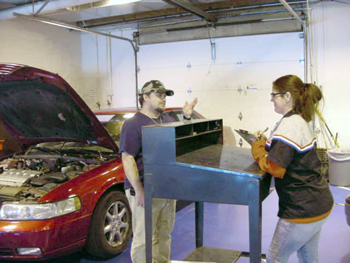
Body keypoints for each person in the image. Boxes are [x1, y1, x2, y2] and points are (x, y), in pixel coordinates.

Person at [251, 75, 334, 263]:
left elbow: (275, 168)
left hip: (302, 209)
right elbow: (287, 151)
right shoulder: (298, 120)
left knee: (274, 256)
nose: (271, 99)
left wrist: (257, 148)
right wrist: (266, 143)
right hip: (319, 203)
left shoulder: (290, 125)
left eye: (274, 95)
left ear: (287, 96)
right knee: (307, 255)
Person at [119, 80, 198, 263]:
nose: (163, 99)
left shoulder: (167, 120)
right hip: (145, 189)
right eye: (159, 95)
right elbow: (128, 158)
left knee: (164, 233)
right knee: (144, 238)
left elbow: (177, 149)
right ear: (145, 97)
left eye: (165, 96)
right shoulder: (133, 124)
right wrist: (139, 190)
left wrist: (186, 118)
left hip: (166, 188)